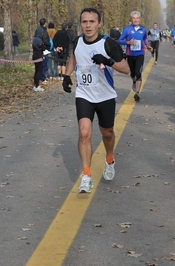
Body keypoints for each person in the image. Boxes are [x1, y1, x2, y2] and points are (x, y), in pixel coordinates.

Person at [62, 7, 129, 193]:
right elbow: (74, 58)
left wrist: (108, 61)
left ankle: (109, 159)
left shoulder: (109, 44)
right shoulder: (77, 41)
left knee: (107, 133)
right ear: (81, 24)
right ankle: (86, 175)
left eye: (92, 22)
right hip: (84, 94)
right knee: (84, 133)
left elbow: (125, 68)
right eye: (84, 22)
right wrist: (67, 76)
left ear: (99, 24)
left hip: (105, 95)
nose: (88, 25)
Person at [118, 11, 153, 101]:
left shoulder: (143, 29)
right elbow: (120, 40)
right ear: (131, 19)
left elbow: (145, 39)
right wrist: (128, 42)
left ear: (139, 19)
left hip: (140, 54)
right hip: (130, 55)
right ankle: (134, 81)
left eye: (137, 18)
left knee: (138, 73)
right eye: (134, 18)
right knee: (133, 73)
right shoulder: (127, 29)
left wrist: (147, 45)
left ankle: (137, 93)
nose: (135, 20)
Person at [35, 18, 51, 87]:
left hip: (37, 50)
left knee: (40, 67)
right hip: (44, 50)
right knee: (43, 65)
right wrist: (48, 45)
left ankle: (40, 80)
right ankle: (42, 79)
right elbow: (45, 40)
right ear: (45, 23)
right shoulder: (44, 31)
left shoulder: (37, 30)